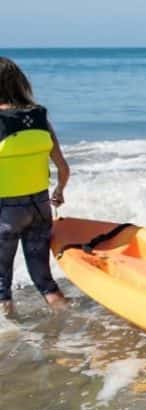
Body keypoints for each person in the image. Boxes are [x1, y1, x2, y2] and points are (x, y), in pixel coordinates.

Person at [0, 56, 70, 316]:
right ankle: (71, 323)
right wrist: (59, 192)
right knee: (45, 282)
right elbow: (63, 168)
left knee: (1, 286)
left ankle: (10, 341)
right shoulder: (40, 117)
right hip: (40, 207)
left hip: (5, 212)